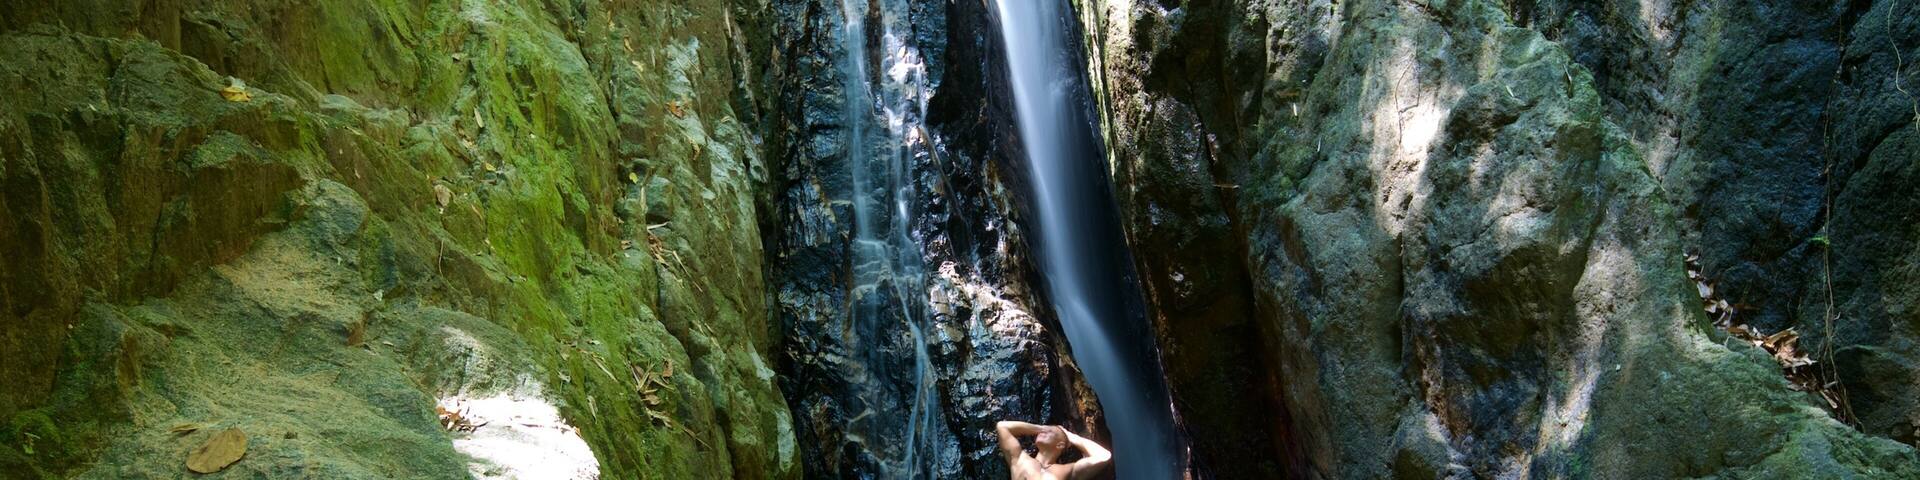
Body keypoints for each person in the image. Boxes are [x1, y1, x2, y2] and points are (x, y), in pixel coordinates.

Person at [995, 420, 1112, 479]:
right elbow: (1002, 427)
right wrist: (1040, 428)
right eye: (1044, 430)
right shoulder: (1020, 459)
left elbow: (1103, 456)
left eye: (1050, 431)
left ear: (1060, 445)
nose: (1043, 432)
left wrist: (1071, 437)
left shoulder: (1065, 471)